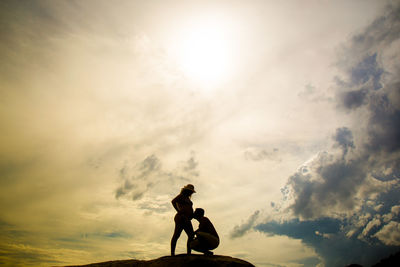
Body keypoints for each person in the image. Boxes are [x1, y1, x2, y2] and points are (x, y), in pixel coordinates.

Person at [171, 184, 196, 256]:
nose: (191, 193)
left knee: (191, 235)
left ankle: (189, 253)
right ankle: (172, 254)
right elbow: (173, 201)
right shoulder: (181, 196)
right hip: (181, 217)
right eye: (190, 191)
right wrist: (178, 211)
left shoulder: (187, 198)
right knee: (177, 235)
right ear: (186, 190)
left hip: (187, 218)